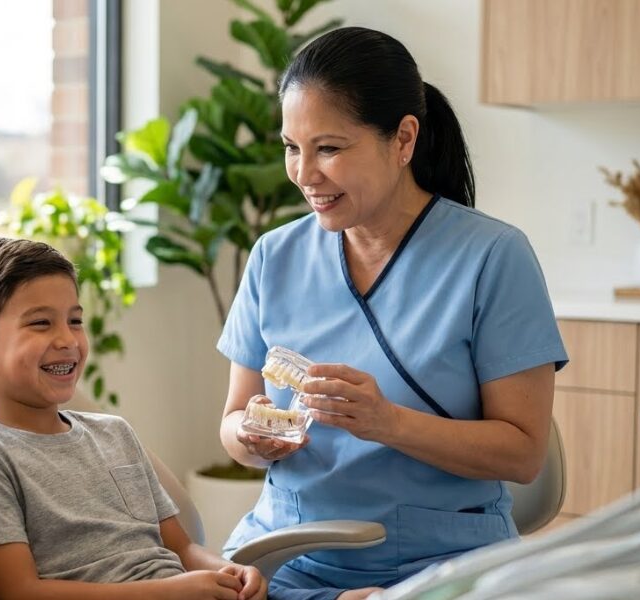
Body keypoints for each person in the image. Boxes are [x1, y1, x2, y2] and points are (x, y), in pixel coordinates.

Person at [216, 27, 569, 599]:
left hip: (438, 564)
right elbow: (232, 422)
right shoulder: (273, 257)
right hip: (287, 554)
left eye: (328, 148)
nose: (304, 174)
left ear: (403, 138)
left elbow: (523, 454)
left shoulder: (492, 258)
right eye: (291, 147)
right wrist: (252, 437)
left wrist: (388, 423)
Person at [0, 238, 267, 600]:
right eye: (41, 323)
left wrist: (229, 572)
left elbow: (183, 551)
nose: (68, 339)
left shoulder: (114, 433)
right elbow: (20, 592)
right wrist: (171, 592)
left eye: (75, 321)